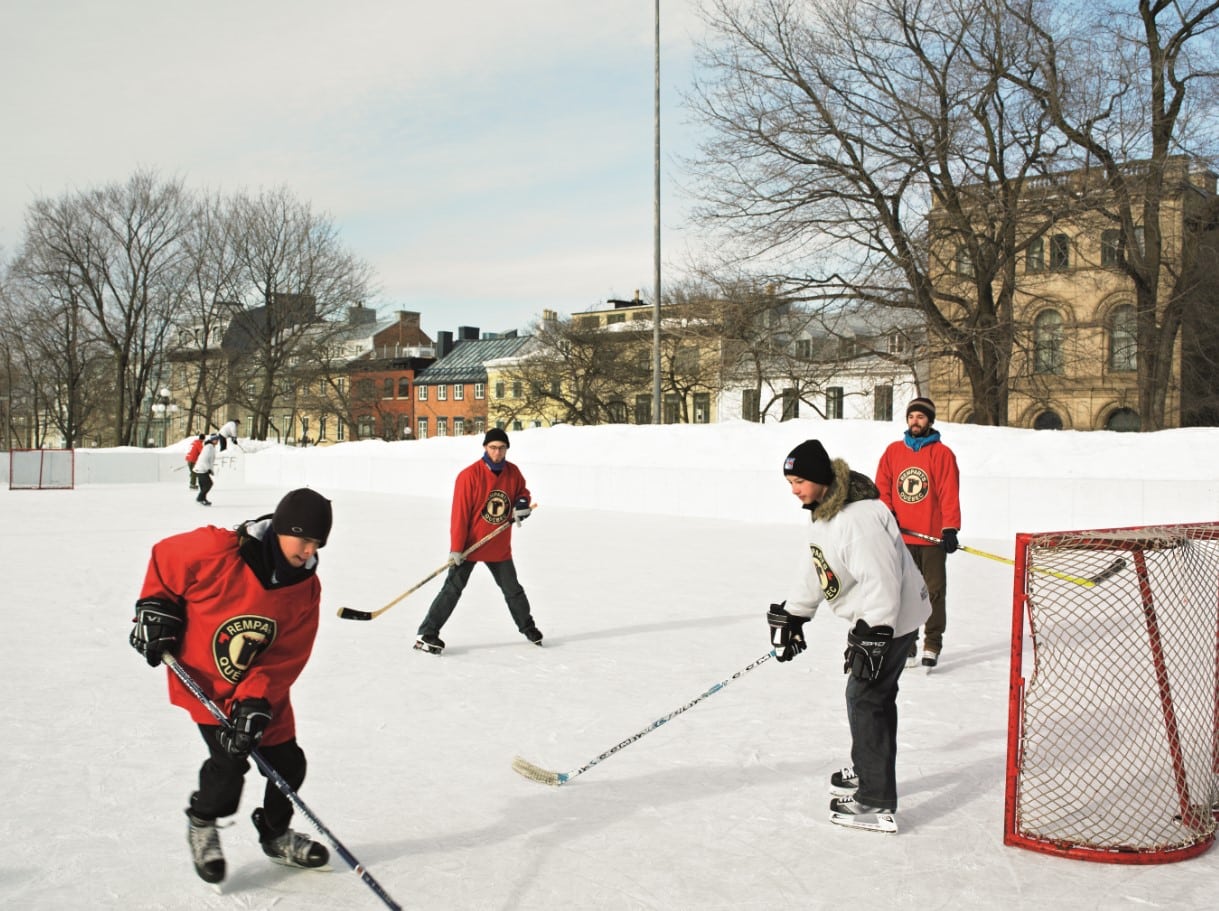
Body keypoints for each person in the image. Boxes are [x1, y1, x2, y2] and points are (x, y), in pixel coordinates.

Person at [128, 488, 335, 884]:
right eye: (303, 538)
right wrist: (156, 606)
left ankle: (275, 835)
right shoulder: (217, 550)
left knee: (289, 765)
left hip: (260, 692)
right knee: (229, 765)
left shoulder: (305, 588)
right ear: (279, 529)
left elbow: (286, 656)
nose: (309, 550)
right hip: (208, 682)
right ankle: (202, 821)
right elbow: (164, 558)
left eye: (317, 543)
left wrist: (256, 699)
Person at [767, 439, 930, 834]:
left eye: (799, 480)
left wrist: (875, 632)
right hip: (881, 618)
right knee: (869, 697)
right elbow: (819, 567)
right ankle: (867, 771)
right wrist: (795, 613)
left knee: (866, 698)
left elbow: (882, 579)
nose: (794, 490)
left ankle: (874, 801)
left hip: (892, 618)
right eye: (790, 481)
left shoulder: (858, 518)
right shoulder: (824, 513)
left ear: (822, 478)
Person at [414, 427, 541, 655]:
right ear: (484, 447)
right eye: (493, 448)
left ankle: (528, 627)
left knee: (513, 589)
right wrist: (456, 549)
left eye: (502, 448)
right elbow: (460, 515)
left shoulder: (513, 472)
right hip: (470, 546)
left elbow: (522, 492)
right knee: (452, 589)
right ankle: (427, 633)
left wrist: (522, 505)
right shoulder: (469, 475)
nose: (497, 453)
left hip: (498, 545)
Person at [874, 397, 962, 669]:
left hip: (931, 538)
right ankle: (907, 642)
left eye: (921, 417)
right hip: (902, 537)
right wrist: (888, 516)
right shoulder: (893, 452)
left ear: (930, 421)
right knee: (904, 592)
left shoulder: (942, 454)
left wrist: (950, 527)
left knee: (934, 592)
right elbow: (883, 487)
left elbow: (949, 492)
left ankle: (932, 643)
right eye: (912, 416)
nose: (915, 421)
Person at [192, 436, 218, 506]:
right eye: (215, 440)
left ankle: (203, 499)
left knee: (203, 485)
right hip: (202, 468)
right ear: (212, 440)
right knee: (208, 484)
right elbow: (206, 458)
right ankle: (200, 498)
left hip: (201, 468)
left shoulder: (209, 446)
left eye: (217, 439)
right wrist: (208, 468)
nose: (217, 441)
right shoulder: (210, 447)